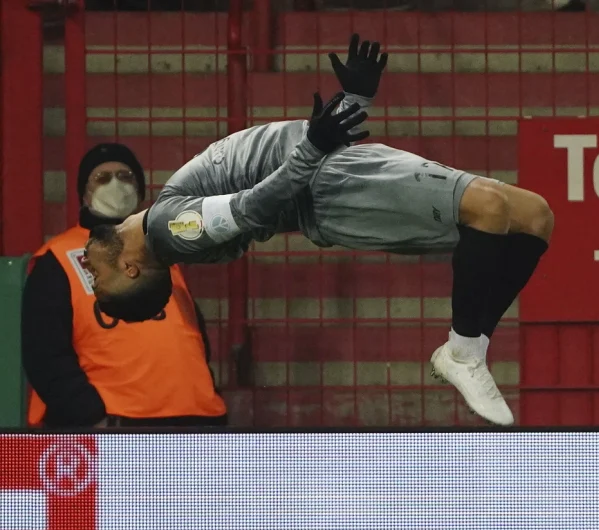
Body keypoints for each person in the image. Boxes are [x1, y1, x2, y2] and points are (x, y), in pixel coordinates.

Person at [81, 35, 554, 427]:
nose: (87, 264)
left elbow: (274, 177)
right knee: (489, 209)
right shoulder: (171, 230)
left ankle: (467, 348)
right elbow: (255, 204)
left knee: (535, 216)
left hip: (331, 170)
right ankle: (465, 352)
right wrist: (314, 144)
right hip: (334, 190)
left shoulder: (170, 220)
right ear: (130, 268)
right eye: (98, 278)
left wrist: (352, 102)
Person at [22, 143, 227, 428]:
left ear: (140, 191)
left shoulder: (158, 250)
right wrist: (90, 416)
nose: (116, 184)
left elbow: (192, 337)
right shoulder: (58, 259)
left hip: (197, 420)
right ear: (84, 194)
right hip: (119, 426)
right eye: (102, 178)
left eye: (125, 176)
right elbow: (44, 353)